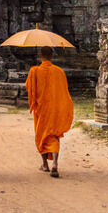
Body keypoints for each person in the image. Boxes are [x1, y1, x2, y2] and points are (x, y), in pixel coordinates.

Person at [25, 45, 74, 178]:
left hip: (41, 109)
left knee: (41, 134)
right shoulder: (59, 72)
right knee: (53, 135)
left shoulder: (34, 71)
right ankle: (55, 164)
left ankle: (45, 164)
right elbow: (64, 90)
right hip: (55, 108)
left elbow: (29, 88)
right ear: (52, 56)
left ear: (40, 56)